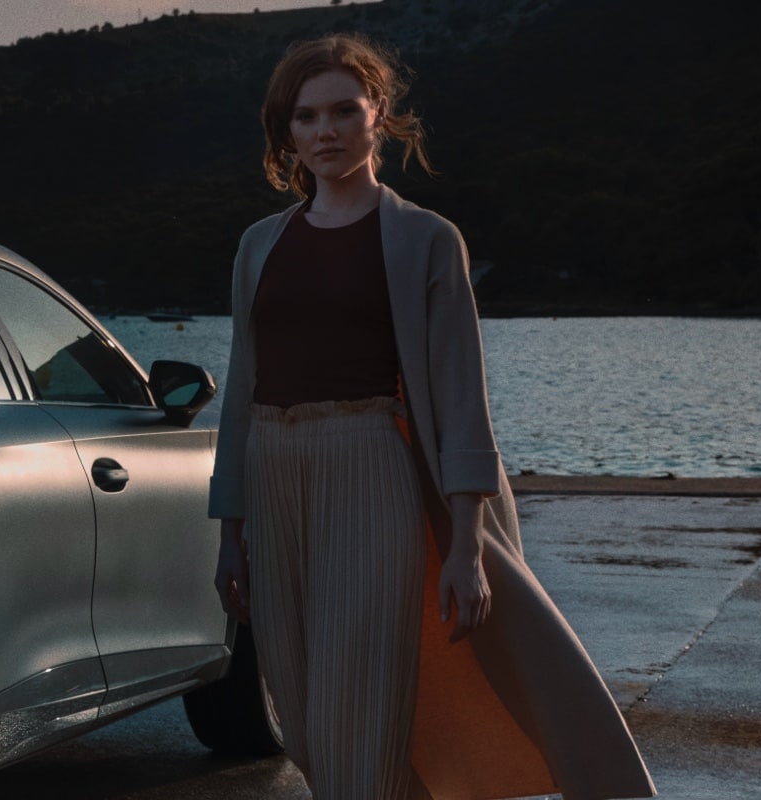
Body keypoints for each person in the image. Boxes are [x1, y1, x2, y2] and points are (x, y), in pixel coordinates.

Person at [204, 33, 658, 800]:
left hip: (371, 461)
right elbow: (242, 389)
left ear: (379, 113)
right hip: (272, 473)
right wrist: (230, 534)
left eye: (344, 110)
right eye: (306, 116)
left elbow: (460, 398)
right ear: (287, 132)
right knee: (307, 721)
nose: (326, 132)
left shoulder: (425, 239)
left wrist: (467, 545)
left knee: (365, 708)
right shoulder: (259, 245)